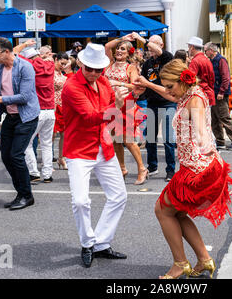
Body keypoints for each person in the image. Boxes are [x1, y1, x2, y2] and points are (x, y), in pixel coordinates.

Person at [62, 43, 146, 268]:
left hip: (103, 145)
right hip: (79, 150)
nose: (93, 73)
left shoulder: (103, 82)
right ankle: (88, 242)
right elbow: (91, 117)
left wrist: (132, 96)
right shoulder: (71, 87)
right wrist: (117, 106)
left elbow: (113, 110)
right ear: (80, 63)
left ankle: (100, 243)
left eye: (98, 69)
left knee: (119, 196)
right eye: (89, 68)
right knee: (80, 201)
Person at [152, 59, 232, 279]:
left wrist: (207, 152)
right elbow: (169, 94)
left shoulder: (195, 100)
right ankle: (204, 260)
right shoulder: (187, 94)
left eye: (171, 85)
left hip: (198, 169)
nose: (169, 91)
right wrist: (146, 83)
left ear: (182, 80)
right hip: (193, 165)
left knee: (162, 210)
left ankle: (180, 263)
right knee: (175, 212)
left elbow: (201, 132)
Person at [0, 37, 40, 211]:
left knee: (16, 155)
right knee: (6, 157)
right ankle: (20, 193)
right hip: (10, 117)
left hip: (26, 117)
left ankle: (27, 196)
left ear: (7, 52)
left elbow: (25, 97)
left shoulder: (25, 67)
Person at [104, 33, 148, 185]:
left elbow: (137, 85)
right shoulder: (109, 63)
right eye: (118, 49)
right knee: (115, 140)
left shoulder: (130, 68)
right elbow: (107, 46)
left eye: (122, 49)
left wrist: (118, 83)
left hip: (127, 105)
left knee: (128, 141)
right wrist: (123, 38)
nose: (118, 51)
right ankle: (122, 168)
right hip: (111, 104)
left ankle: (142, 168)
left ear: (128, 52)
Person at [133, 34, 177, 182]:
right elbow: (144, 84)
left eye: (153, 45)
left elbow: (157, 51)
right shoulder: (147, 64)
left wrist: (141, 38)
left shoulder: (167, 58)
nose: (149, 48)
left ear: (161, 45)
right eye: (148, 46)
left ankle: (170, 170)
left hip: (168, 102)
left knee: (168, 139)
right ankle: (152, 166)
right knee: (150, 138)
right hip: (152, 103)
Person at [13, 40, 57, 183]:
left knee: (27, 142)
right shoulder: (50, 65)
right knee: (47, 143)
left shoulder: (29, 65)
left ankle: (33, 172)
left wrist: (25, 44)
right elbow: (50, 58)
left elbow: (13, 52)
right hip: (50, 109)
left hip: (36, 110)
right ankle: (47, 174)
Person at [204, 42, 232, 150]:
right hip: (213, 94)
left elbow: (226, 78)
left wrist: (221, 92)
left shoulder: (221, 60)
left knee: (224, 118)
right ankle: (220, 141)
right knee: (215, 119)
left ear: (211, 50)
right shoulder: (211, 61)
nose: (205, 52)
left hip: (220, 94)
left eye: (206, 50)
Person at [52, 52, 69, 171]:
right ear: (56, 60)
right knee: (51, 134)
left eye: (65, 64)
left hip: (62, 105)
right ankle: (47, 160)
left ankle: (61, 158)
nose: (63, 66)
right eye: (61, 63)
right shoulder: (49, 73)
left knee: (64, 133)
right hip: (52, 104)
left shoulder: (62, 74)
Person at [187, 36, 215, 107]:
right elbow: (212, 79)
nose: (188, 49)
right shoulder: (207, 60)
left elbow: (189, 80)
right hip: (209, 94)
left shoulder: (195, 61)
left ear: (192, 47)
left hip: (199, 96)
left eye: (188, 47)